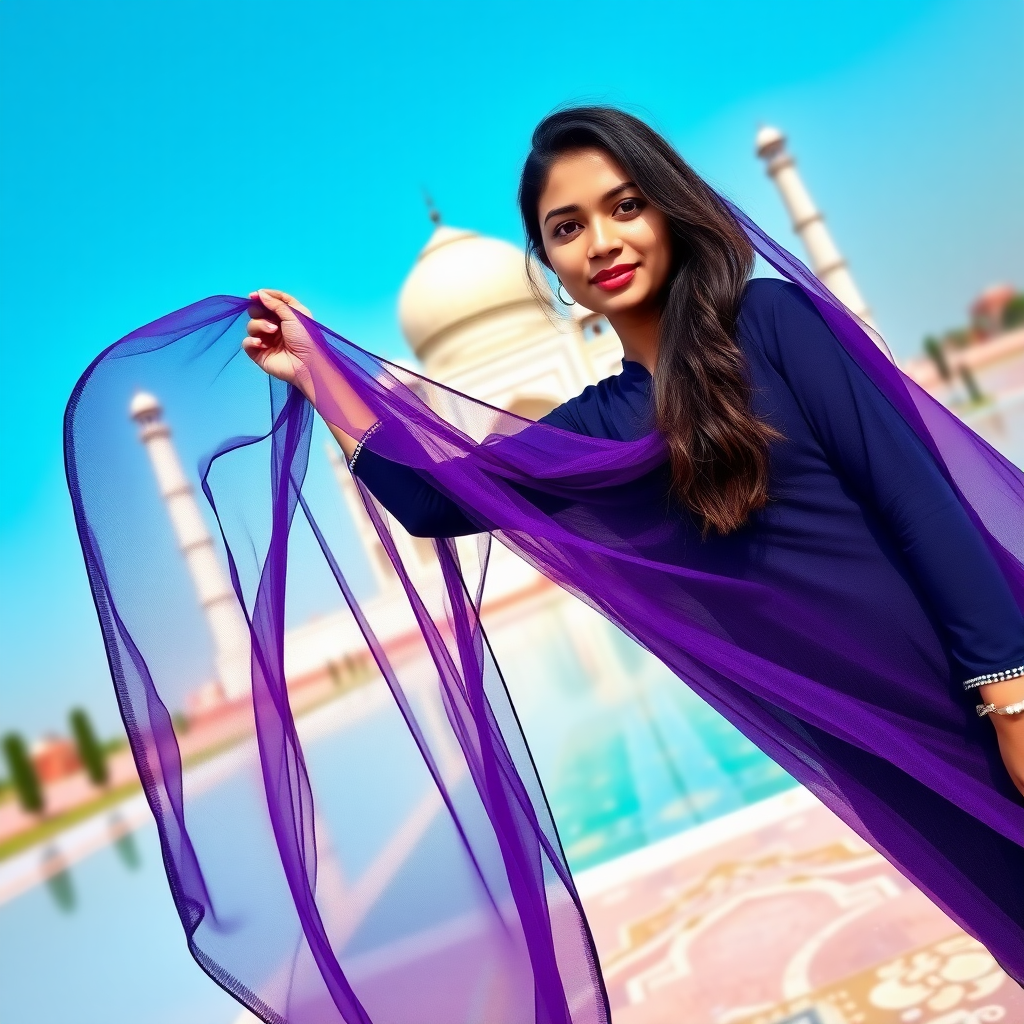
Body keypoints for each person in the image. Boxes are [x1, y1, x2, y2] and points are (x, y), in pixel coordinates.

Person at [245, 106, 1024, 799]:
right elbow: (430, 502)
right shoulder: (601, 424)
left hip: (974, 679)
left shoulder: (772, 323)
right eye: (567, 227)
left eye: (624, 206)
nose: (602, 242)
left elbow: (920, 506)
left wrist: (1009, 697)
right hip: (867, 723)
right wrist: (317, 371)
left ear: (670, 210)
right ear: (549, 265)